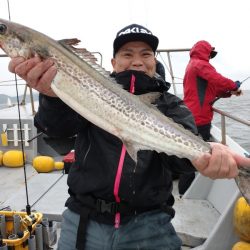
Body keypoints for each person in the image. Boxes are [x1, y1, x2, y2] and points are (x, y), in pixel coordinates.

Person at [8, 24, 250, 250]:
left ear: (155, 61)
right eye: (127, 54)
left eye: (146, 54)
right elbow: (58, 134)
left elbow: (180, 161)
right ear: (113, 62)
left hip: (151, 223)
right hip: (83, 219)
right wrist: (51, 97)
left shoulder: (171, 105)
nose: (137, 61)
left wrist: (203, 158)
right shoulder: (87, 91)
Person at [183, 40, 242, 141]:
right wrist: (234, 86)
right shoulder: (200, 64)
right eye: (210, 54)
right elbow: (217, 79)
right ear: (204, 52)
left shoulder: (192, 65)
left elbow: (212, 89)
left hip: (191, 114)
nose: (210, 57)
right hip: (199, 118)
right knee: (202, 148)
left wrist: (229, 93)